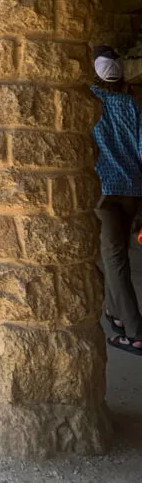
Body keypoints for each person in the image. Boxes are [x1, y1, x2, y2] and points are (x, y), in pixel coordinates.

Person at [91, 48, 142, 356]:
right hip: (133, 190)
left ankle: (136, 332)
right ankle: (117, 314)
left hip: (104, 191)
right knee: (117, 254)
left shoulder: (90, 104)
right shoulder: (134, 107)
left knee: (114, 260)